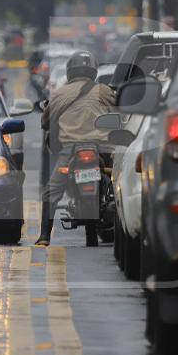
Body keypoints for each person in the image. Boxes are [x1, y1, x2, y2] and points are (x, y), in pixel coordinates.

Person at [36, 50, 116, 246]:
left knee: (52, 192)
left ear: (70, 71)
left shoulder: (59, 94)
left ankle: (44, 236)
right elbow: (119, 114)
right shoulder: (104, 91)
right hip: (102, 151)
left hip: (70, 151)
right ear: (93, 71)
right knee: (118, 182)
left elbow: (45, 122)